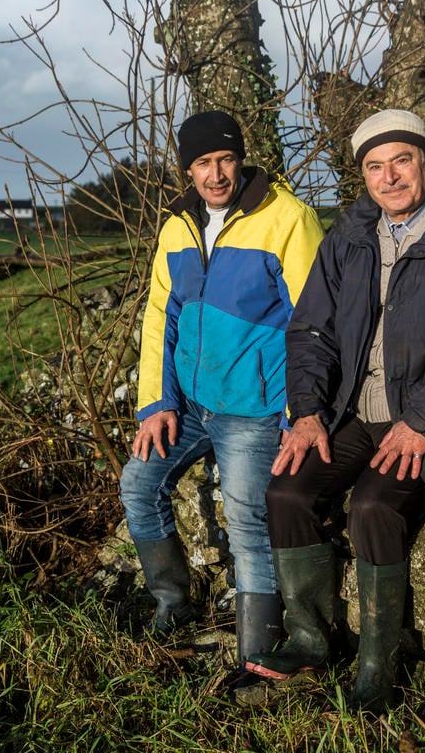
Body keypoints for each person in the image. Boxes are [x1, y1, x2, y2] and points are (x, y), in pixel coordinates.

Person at [245, 109, 425, 712]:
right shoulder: (348, 238)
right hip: (349, 412)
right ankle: (311, 639)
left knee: (373, 506)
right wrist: (310, 412)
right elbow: (310, 332)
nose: (389, 176)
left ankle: (378, 665)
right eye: (375, 166)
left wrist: (422, 418)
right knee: (286, 492)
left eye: (401, 160)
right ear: (362, 175)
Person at [119, 110, 325, 671]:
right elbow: (161, 316)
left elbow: (314, 323)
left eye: (226, 160)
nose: (216, 174)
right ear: (187, 170)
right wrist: (158, 403)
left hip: (257, 410)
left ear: (241, 160)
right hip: (189, 405)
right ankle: (172, 607)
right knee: (137, 484)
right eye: (203, 163)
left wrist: (299, 412)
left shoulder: (287, 218)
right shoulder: (177, 227)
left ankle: (255, 651)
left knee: (247, 519)